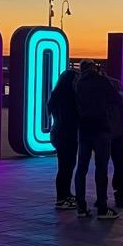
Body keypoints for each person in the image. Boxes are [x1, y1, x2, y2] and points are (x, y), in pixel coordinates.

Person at [73, 60, 121, 219]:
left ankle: (81, 207)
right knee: (101, 168)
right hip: (101, 128)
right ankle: (102, 207)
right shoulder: (102, 80)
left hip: (84, 128)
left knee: (81, 168)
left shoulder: (79, 84)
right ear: (95, 67)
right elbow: (116, 99)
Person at [47, 68, 81, 210]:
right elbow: (68, 118)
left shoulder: (57, 95)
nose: (77, 81)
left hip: (59, 134)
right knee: (66, 167)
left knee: (66, 166)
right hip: (66, 135)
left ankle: (65, 194)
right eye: (76, 79)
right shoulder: (68, 98)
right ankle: (61, 198)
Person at [106, 74, 123, 209]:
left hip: (102, 134)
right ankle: (119, 195)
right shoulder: (116, 84)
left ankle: (102, 197)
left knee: (102, 167)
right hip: (117, 133)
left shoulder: (89, 86)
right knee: (119, 166)